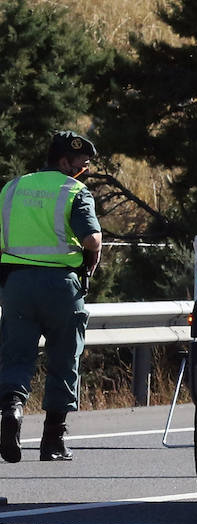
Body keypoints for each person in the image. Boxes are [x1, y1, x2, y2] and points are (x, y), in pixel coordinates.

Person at [0, 131, 102, 464]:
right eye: (81, 163)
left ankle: (12, 410)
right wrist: (90, 270)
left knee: (15, 357)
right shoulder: (73, 190)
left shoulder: (12, 188)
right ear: (63, 161)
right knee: (63, 360)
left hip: (15, 285)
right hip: (61, 285)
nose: (84, 169)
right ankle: (53, 441)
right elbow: (93, 241)